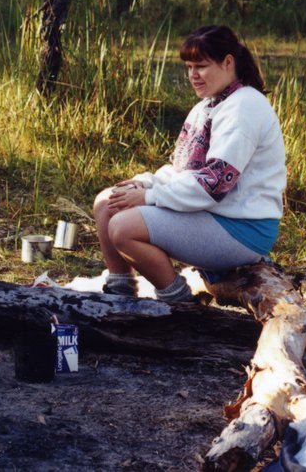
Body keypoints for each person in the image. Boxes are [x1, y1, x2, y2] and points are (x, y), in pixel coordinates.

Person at [93, 25, 286, 302]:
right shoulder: (208, 105)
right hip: (212, 213)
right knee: (107, 202)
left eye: (201, 66)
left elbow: (213, 184)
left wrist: (149, 196)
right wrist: (145, 182)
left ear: (228, 62)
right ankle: (120, 292)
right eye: (189, 67)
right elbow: (184, 169)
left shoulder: (245, 107)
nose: (192, 75)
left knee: (123, 227)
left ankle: (179, 301)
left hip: (242, 227)